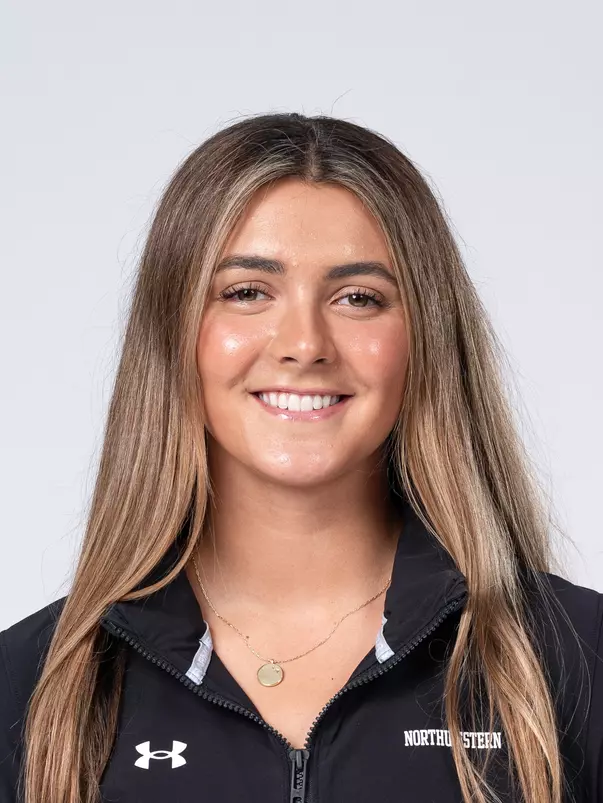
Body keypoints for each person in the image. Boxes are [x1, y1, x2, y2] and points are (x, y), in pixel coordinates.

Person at [0, 112, 601, 803]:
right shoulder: (30, 686)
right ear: (175, 333)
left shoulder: (577, 659)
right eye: (247, 292)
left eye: (357, 297)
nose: (304, 343)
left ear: (425, 340)